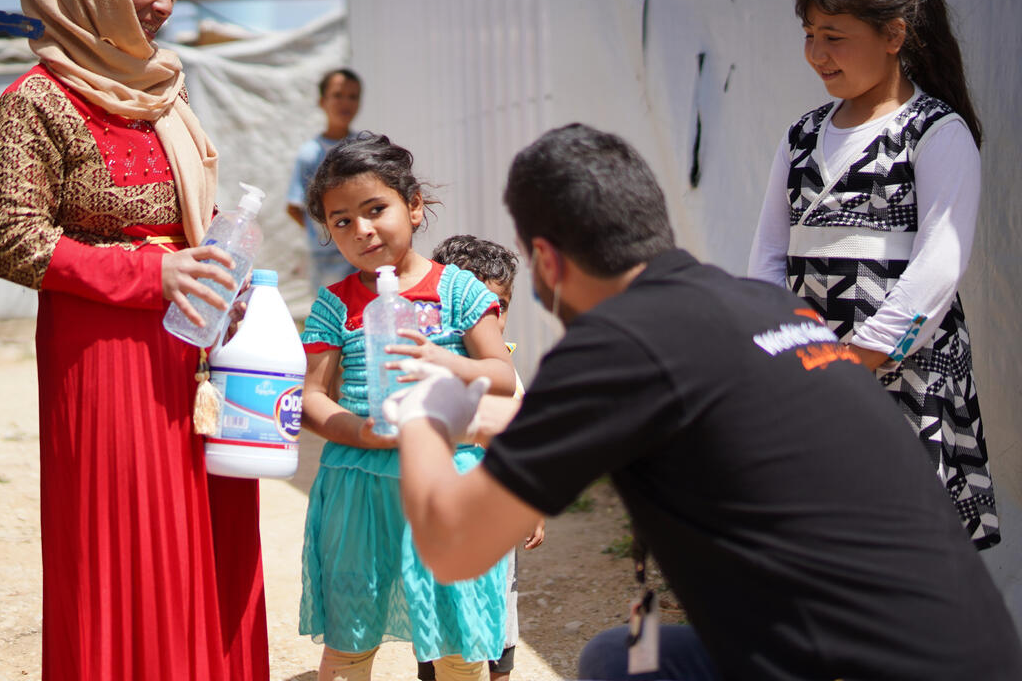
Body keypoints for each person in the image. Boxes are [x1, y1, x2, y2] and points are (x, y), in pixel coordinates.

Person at [385, 123, 1022, 680]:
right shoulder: (765, 306)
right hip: (972, 651)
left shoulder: (620, 342)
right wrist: (479, 412)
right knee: (625, 656)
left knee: (625, 659)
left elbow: (454, 547)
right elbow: (657, 418)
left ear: (546, 261)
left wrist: (422, 411)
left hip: (855, 666)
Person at [0, 0, 268, 679]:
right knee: (126, 553)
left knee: (206, 550)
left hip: (193, 359)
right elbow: (10, 237)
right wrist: (152, 272)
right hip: (105, 365)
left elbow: (190, 223)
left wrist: (221, 277)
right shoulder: (37, 101)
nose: (164, 6)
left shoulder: (163, 95)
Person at [748, 0, 998, 549]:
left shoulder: (935, 132)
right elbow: (768, 255)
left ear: (894, 35)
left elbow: (939, 263)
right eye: (810, 34)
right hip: (814, 369)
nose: (817, 54)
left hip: (905, 377)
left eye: (834, 36)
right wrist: (781, 343)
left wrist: (863, 356)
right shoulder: (803, 135)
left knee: (906, 538)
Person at [297, 133, 517, 681]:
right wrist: (365, 433)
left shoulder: (460, 291)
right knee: (350, 634)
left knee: (456, 640)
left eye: (376, 209)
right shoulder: (335, 304)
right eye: (341, 221)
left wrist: (452, 365)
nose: (362, 230)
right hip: (358, 486)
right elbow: (311, 398)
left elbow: (501, 375)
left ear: (413, 206)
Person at [418, 235, 545, 681]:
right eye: (475, 306)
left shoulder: (505, 371)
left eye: (500, 306)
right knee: (441, 638)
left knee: (498, 639)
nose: (489, 317)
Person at [286, 68, 362, 291]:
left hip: (362, 248)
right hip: (325, 257)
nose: (345, 103)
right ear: (322, 101)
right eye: (337, 95)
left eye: (353, 96)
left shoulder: (364, 148)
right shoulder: (309, 154)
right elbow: (294, 205)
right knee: (331, 312)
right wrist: (323, 231)